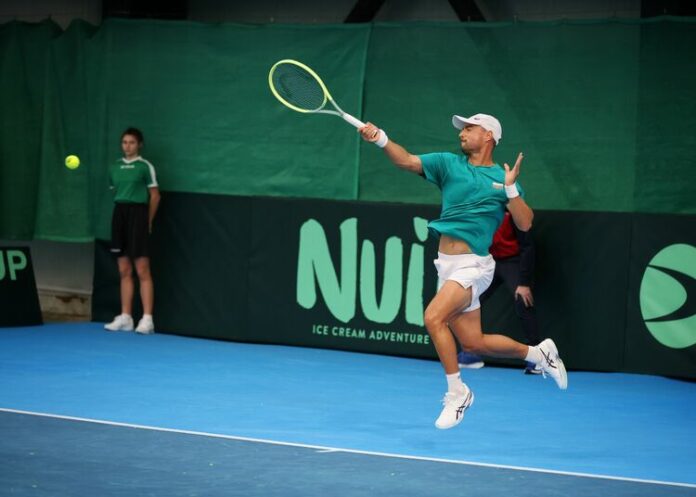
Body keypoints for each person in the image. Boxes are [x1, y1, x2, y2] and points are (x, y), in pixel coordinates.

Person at [359, 113, 567, 430]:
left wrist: (511, 189)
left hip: (474, 265)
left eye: (470, 128)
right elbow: (407, 161)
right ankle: (539, 354)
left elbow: (525, 223)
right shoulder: (448, 164)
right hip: (446, 264)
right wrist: (381, 139)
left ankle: (458, 392)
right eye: (462, 129)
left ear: (489, 136)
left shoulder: (501, 179)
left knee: (433, 318)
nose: (462, 133)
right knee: (474, 344)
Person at [457, 211, 544, 374]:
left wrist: (524, 283)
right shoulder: (480, 211)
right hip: (487, 261)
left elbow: (527, 246)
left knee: (523, 300)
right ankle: (470, 352)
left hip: (513, 261)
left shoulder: (513, 212)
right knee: (468, 299)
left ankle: (538, 357)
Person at [104, 128, 161, 335]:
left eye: (132, 142)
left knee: (142, 269)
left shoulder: (145, 167)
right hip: (120, 214)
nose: (127, 146)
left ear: (139, 145)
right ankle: (126, 317)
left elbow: (155, 196)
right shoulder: (114, 167)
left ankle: (147, 319)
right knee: (124, 269)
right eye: (124, 142)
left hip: (139, 216)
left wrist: (148, 221)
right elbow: (115, 192)